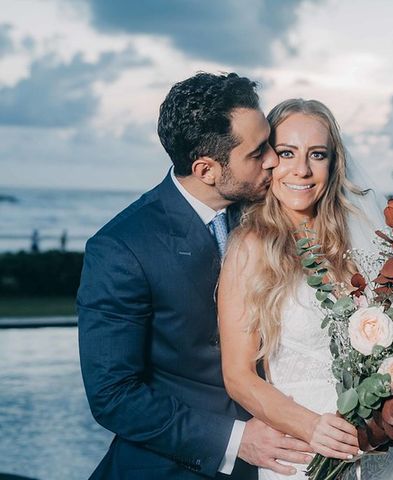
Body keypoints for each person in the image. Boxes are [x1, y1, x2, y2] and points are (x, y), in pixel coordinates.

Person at [77, 73, 313, 480]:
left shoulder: (272, 209)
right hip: (173, 467)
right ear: (206, 169)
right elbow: (113, 396)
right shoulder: (121, 249)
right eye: (258, 153)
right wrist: (235, 440)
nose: (274, 160)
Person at [218, 99, 393, 479]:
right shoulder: (251, 247)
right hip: (304, 453)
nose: (302, 170)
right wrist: (313, 428)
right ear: (268, 159)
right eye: (287, 153)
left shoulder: (364, 244)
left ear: (333, 163)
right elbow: (238, 376)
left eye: (317, 155)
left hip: (378, 451)